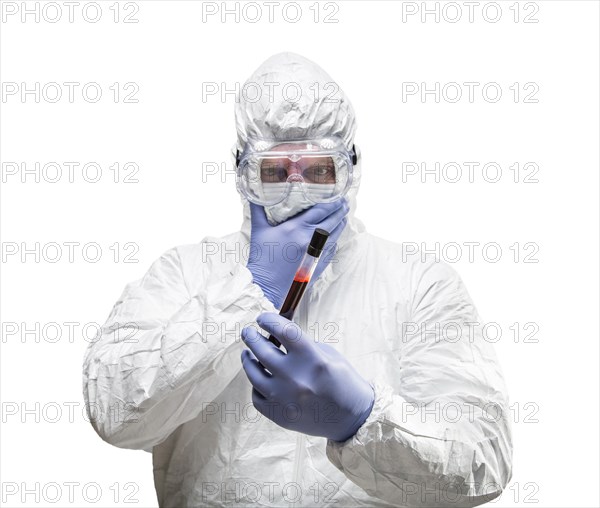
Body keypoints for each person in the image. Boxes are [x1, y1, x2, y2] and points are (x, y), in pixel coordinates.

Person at [83, 52, 513, 507]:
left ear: (350, 168)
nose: (296, 190)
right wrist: (250, 290)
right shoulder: (186, 274)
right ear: (243, 173)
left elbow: (482, 462)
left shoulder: (416, 283)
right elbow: (116, 415)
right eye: (274, 172)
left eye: (317, 171)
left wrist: (361, 420)